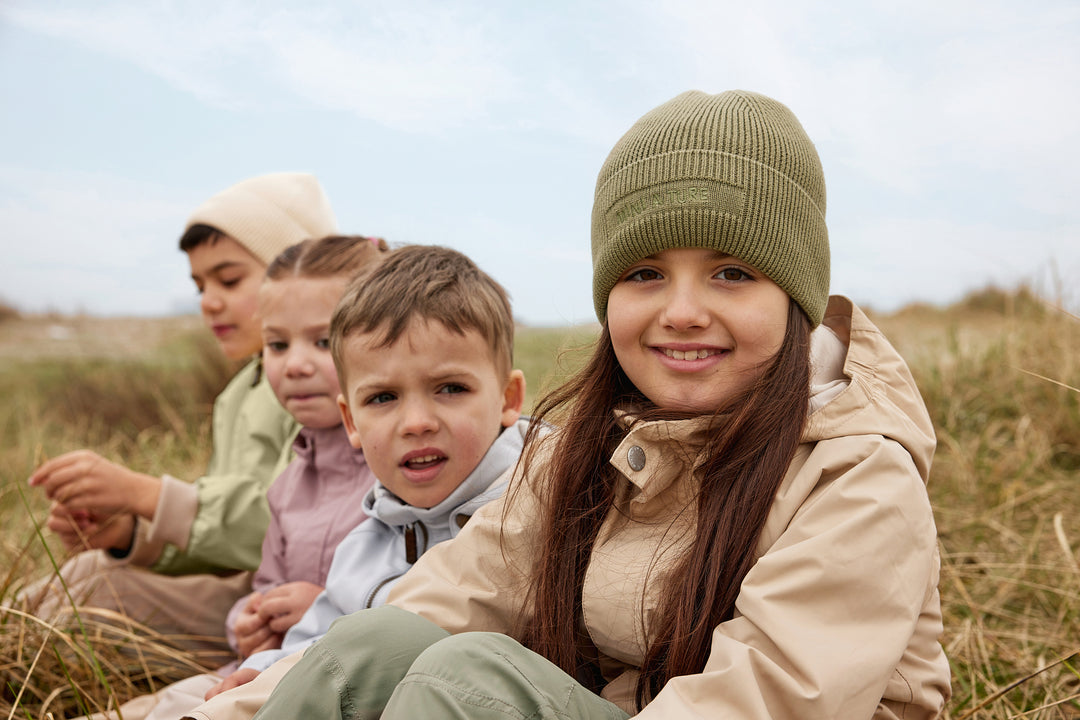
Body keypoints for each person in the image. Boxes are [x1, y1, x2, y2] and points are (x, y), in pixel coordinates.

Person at [228, 91, 951, 720]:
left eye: (732, 273)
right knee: (376, 641)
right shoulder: (588, 452)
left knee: (467, 682)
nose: (684, 311)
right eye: (645, 273)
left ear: (796, 298)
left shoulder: (859, 477)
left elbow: (771, 702)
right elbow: (442, 596)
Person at [186, 244, 530, 720]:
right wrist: (266, 670)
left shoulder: (534, 505)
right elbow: (315, 639)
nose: (416, 422)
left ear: (509, 397)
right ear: (350, 420)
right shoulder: (367, 540)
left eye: (450, 389)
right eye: (383, 397)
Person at [23, 172, 337, 656]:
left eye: (229, 279)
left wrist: (144, 494)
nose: (208, 300)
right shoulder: (237, 393)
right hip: (243, 598)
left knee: (95, 596)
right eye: (200, 284)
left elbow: (284, 526)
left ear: (298, 274)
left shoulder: (317, 388)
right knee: (91, 573)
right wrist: (130, 533)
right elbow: (226, 550)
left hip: (285, 610)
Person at [78, 234, 388, 720]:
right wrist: (244, 622)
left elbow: (419, 598)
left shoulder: (399, 470)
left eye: (324, 341)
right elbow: (262, 582)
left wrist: (325, 609)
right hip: (258, 667)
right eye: (277, 344)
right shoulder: (291, 482)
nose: (296, 363)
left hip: (321, 684)